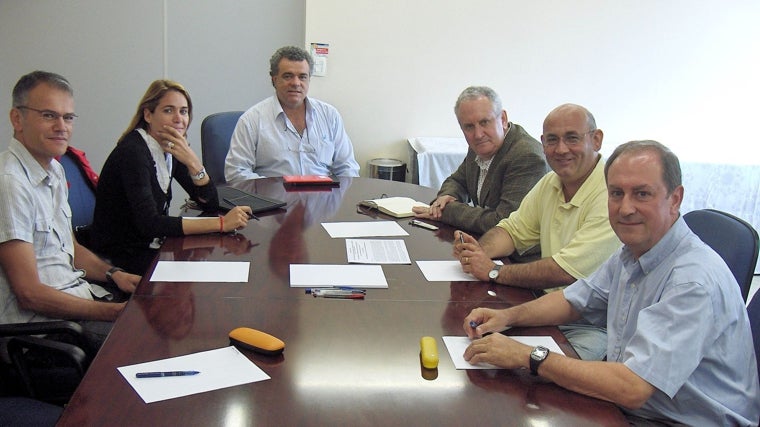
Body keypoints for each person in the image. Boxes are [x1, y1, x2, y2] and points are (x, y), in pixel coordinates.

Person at [462, 140, 759, 425]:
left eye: (642, 194)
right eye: (616, 193)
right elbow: (575, 299)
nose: (625, 208)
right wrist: (507, 316)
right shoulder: (633, 252)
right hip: (637, 407)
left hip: (675, 420)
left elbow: (633, 388)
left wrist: (528, 356)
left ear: (675, 199)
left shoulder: (693, 282)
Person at [455, 103, 621, 360]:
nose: (561, 149)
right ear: (543, 143)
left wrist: (493, 270)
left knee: (532, 379)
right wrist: (477, 252)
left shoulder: (613, 195)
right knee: (475, 343)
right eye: (552, 140)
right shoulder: (551, 182)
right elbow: (512, 230)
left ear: (596, 139)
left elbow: (564, 271)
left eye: (572, 138)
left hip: (595, 325)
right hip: (548, 308)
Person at [0, 71, 141, 348]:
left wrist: (115, 274)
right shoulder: (10, 184)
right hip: (42, 333)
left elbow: (71, 250)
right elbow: (29, 294)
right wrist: (113, 312)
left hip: (78, 304)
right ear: (17, 119)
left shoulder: (53, 169)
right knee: (147, 340)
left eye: (68, 117)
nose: (61, 126)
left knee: (162, 311)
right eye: (49, 116)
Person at [90, 80, 252, 275]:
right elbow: (150, 223)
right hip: (121, 256)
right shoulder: (133, 152)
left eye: (183, 111)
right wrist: (222, 224)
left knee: (224, 267)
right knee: (210, 273)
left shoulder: (170, 148)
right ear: (148, 115)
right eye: (168, 110)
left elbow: (210, 203)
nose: (178, 119)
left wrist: (193, 162)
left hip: (149, 246)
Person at [412, 86, 548, 235]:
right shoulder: (481, 145)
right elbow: (458, 181)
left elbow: (503, 223)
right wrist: (447, 196)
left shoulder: (526, 157)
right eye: (469, 127)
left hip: (521, 255)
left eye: (484, 122)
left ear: (502, 119)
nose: (478, 134)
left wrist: (449, 211)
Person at [224, 46, 360, 183]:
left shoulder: (330, 116)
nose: (296, 83)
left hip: (324, 198)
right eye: (288, 76)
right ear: (274, 80)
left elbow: (347, 168)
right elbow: (237, 173)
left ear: (309, 80)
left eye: (302, 77)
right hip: (274, 200)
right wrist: (276, 191)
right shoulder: (252, 120)